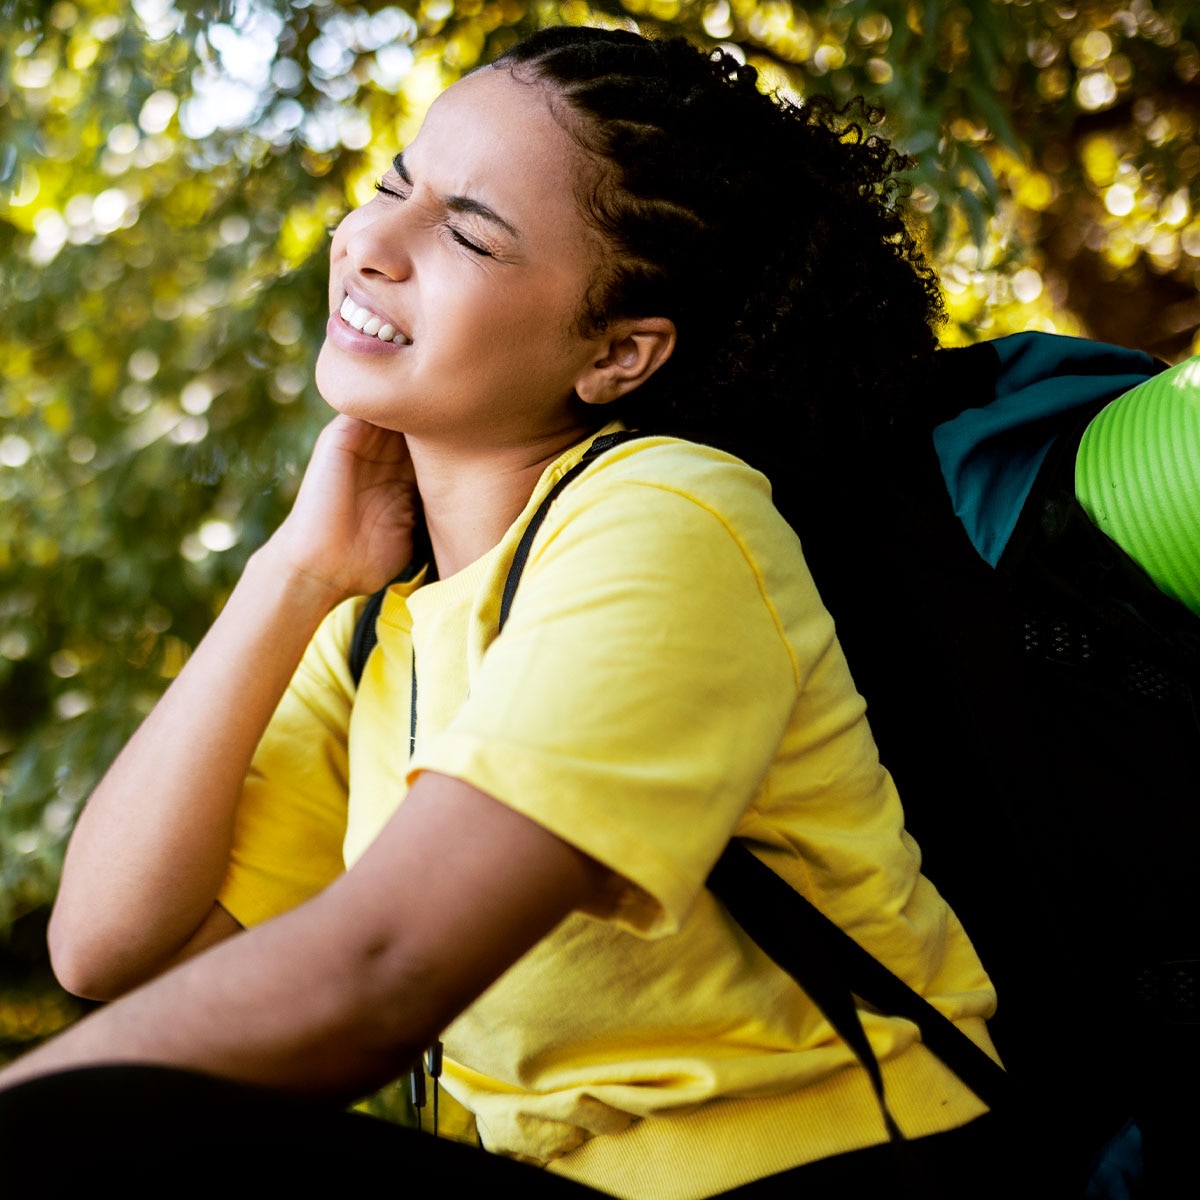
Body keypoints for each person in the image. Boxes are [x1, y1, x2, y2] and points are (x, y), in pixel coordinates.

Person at [0, 25, 1017, 1197]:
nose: (370, 242)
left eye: (468, 231)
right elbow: (114, 951)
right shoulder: (386, 622)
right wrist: (292, 572)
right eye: (394, 183)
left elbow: (379, 974)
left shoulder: (670, 519)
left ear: (620, 352)